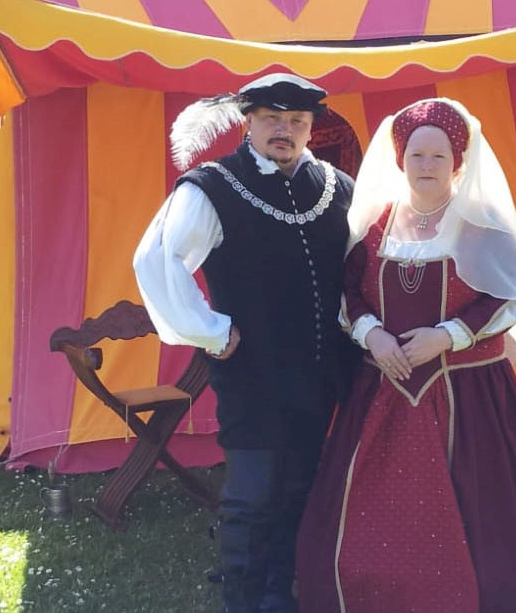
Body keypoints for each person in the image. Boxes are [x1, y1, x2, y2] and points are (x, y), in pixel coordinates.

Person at [294, 98, 516, 612]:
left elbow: (507, 299)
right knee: (368, 514)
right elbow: (349, 293)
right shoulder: (378, 224)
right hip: (382, 387)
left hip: (466, 395)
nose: (426, 166)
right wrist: (372, 336)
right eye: (416, 155)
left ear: (457, 160)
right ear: (400, 159)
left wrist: (447, 335)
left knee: (481, 517)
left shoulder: (482, 224)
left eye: (438, 155)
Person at [134, 73, 355, 613]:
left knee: (302, 487)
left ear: (309, 129)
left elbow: (360, 266)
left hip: (323, 373)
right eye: (272, 119)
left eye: (296, 122)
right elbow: (156, 260)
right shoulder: (212, 186)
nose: (284, 130)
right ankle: (244, 597)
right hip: (254, 373)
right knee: (253, 494)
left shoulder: (336, 186)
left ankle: (281, 591)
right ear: (249, 121)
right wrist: (210, 330)